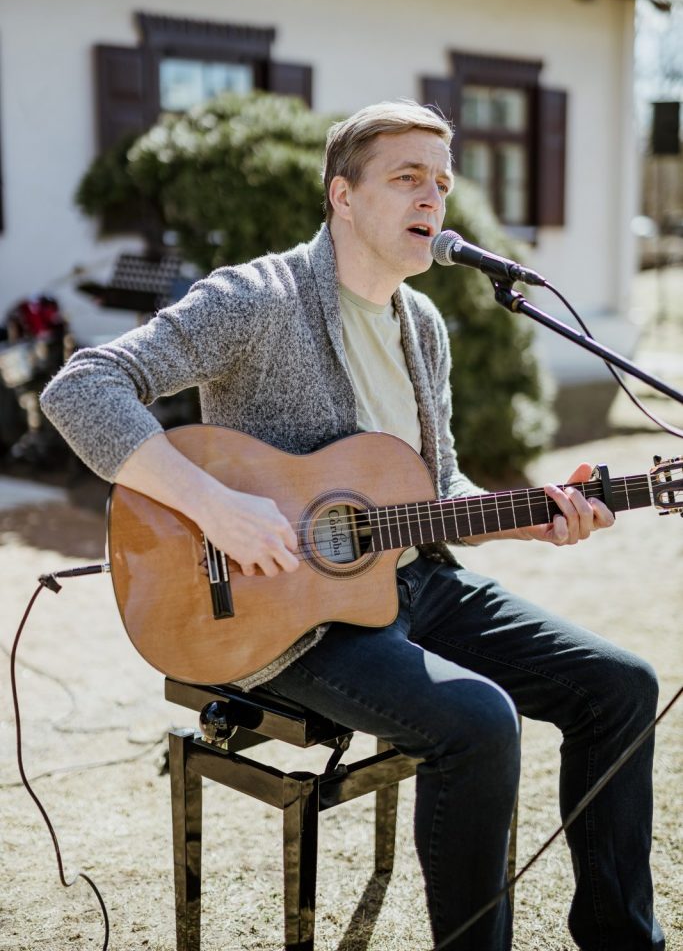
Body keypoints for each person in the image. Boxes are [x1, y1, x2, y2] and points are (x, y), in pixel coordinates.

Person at [40, 100, 663, 951]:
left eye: (441, 182)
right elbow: (81, 388)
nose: (432, 198)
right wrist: (217, 508)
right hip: (281, 612)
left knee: (620, 685)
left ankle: (621, 938)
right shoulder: (256, 299)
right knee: (479, 721)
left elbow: (435, 487)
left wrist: (528, 517)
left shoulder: (423, 326)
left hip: (412, 580)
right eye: (407, 177)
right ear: (342, 195)